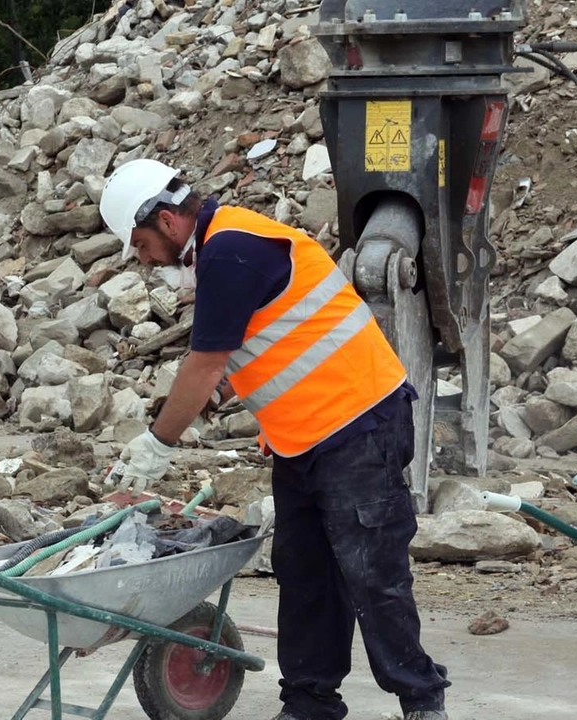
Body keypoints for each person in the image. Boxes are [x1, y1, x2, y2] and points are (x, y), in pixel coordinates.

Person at [98, 157, 449, 720]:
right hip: (304, 438)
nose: (141, 259)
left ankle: (421, 700)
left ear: (166, 221)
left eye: (139, 244)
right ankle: (310, 703)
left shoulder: (232, 250)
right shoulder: (222, 249)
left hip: (359, 423)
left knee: (372, 572)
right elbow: (266, 345)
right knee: (306, 573)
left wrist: (157, 444)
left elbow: (206, 363)